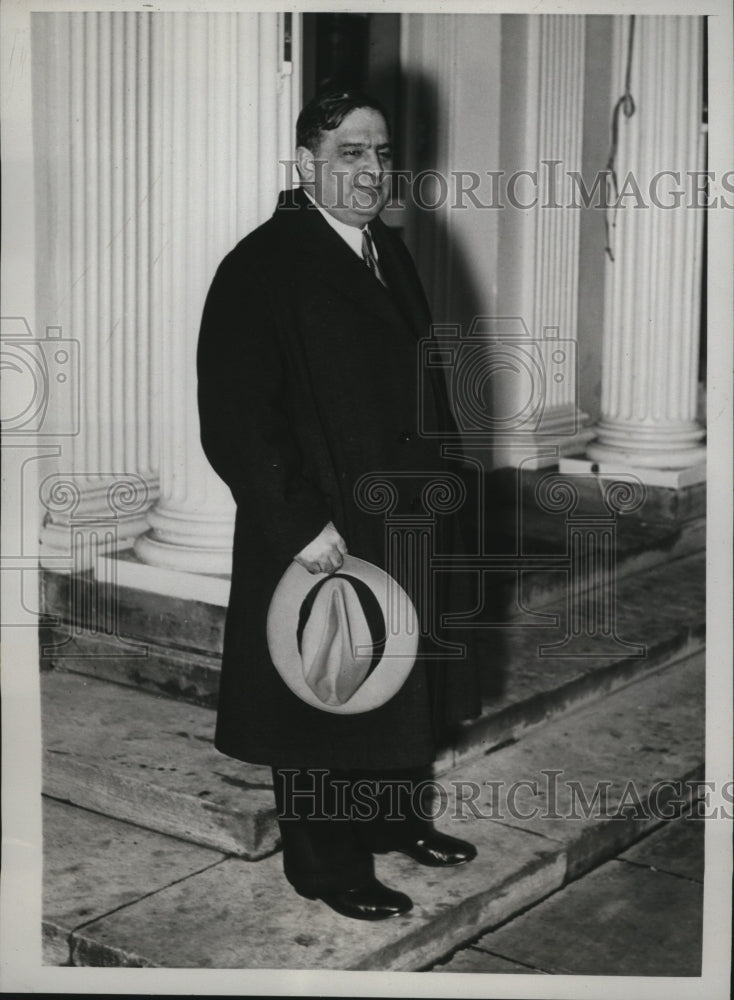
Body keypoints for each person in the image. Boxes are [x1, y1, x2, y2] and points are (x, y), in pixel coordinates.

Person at [197, 90, 482, 921]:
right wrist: (300, 526)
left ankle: (395, 821)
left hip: (404, 513)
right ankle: (325, 866)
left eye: (381, 153)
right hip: (324, 522)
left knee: (397, 673)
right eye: (351, 153)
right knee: (323, 692)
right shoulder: (260, 266)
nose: (371, 170)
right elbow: (236, 421)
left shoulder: (385, 248)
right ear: (306, 164)